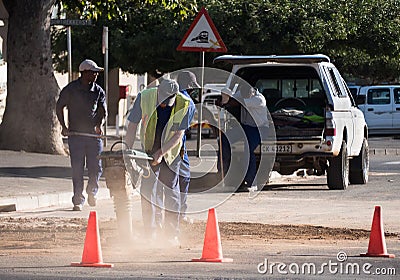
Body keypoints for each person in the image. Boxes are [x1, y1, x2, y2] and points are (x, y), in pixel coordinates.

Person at [125, 78, 194, 245]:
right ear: (158, 93)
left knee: (170, 191)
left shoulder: (186, 104)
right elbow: (132, 126)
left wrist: (162, 152)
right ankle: (151, 232)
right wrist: (126, 149)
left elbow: (178, 135)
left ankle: (171, 234)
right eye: (162, 101)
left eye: (168, 102)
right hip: (149, 148)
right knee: (148, 191)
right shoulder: (145, 97)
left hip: (172, 152)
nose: (165, 105)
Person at [56, 59, 107, 211]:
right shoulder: (70, 89)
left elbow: (103, 112)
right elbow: (59, 107)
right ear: (84, 73)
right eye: (93, 72)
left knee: (96, 168)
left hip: (93, 136)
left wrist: (100, 125)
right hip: (76, 136)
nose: (96, 75)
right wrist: (64, 126)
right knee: (77, 168)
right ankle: (78, 199)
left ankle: (92, 191)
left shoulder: (98, 91)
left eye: (97, 72)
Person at [176, 71, 197, 222]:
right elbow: (181, 130)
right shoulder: (188, 102)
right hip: (177, 145)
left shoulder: (167, 95)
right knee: (184, 178)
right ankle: (180, 214)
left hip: (156, 143)